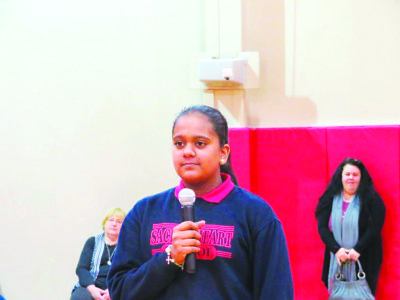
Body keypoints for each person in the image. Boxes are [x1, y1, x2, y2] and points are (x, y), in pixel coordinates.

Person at [107, 105, 294, 299]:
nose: (187, 152)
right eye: (179, 143)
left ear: (223, 153)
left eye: (200, 143)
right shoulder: (144, 212)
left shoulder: (255, 214)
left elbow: (276, 292)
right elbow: (120, 291)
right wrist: (170, 258)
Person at [315, 158, 385, 295]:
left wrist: (357, 250)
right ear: (341, 176)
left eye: (355, 174)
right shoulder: (329, 199)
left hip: (366, 258)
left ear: (361, 177)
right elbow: (322, 227)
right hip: (336, 258)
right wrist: (337, 250)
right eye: (347, 174)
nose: (351, 178)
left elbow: (375, 228)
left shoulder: (373, 200)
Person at [71, 208, 126, 300]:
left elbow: (129, 271)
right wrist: (92, 289)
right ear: (105, 223)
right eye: (111, 220)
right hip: (91, 285)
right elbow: (81, 269)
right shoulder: (92, 242)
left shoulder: (127, 246)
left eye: (119, 222)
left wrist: (113, 290)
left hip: (117, 287)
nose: (114, 224)